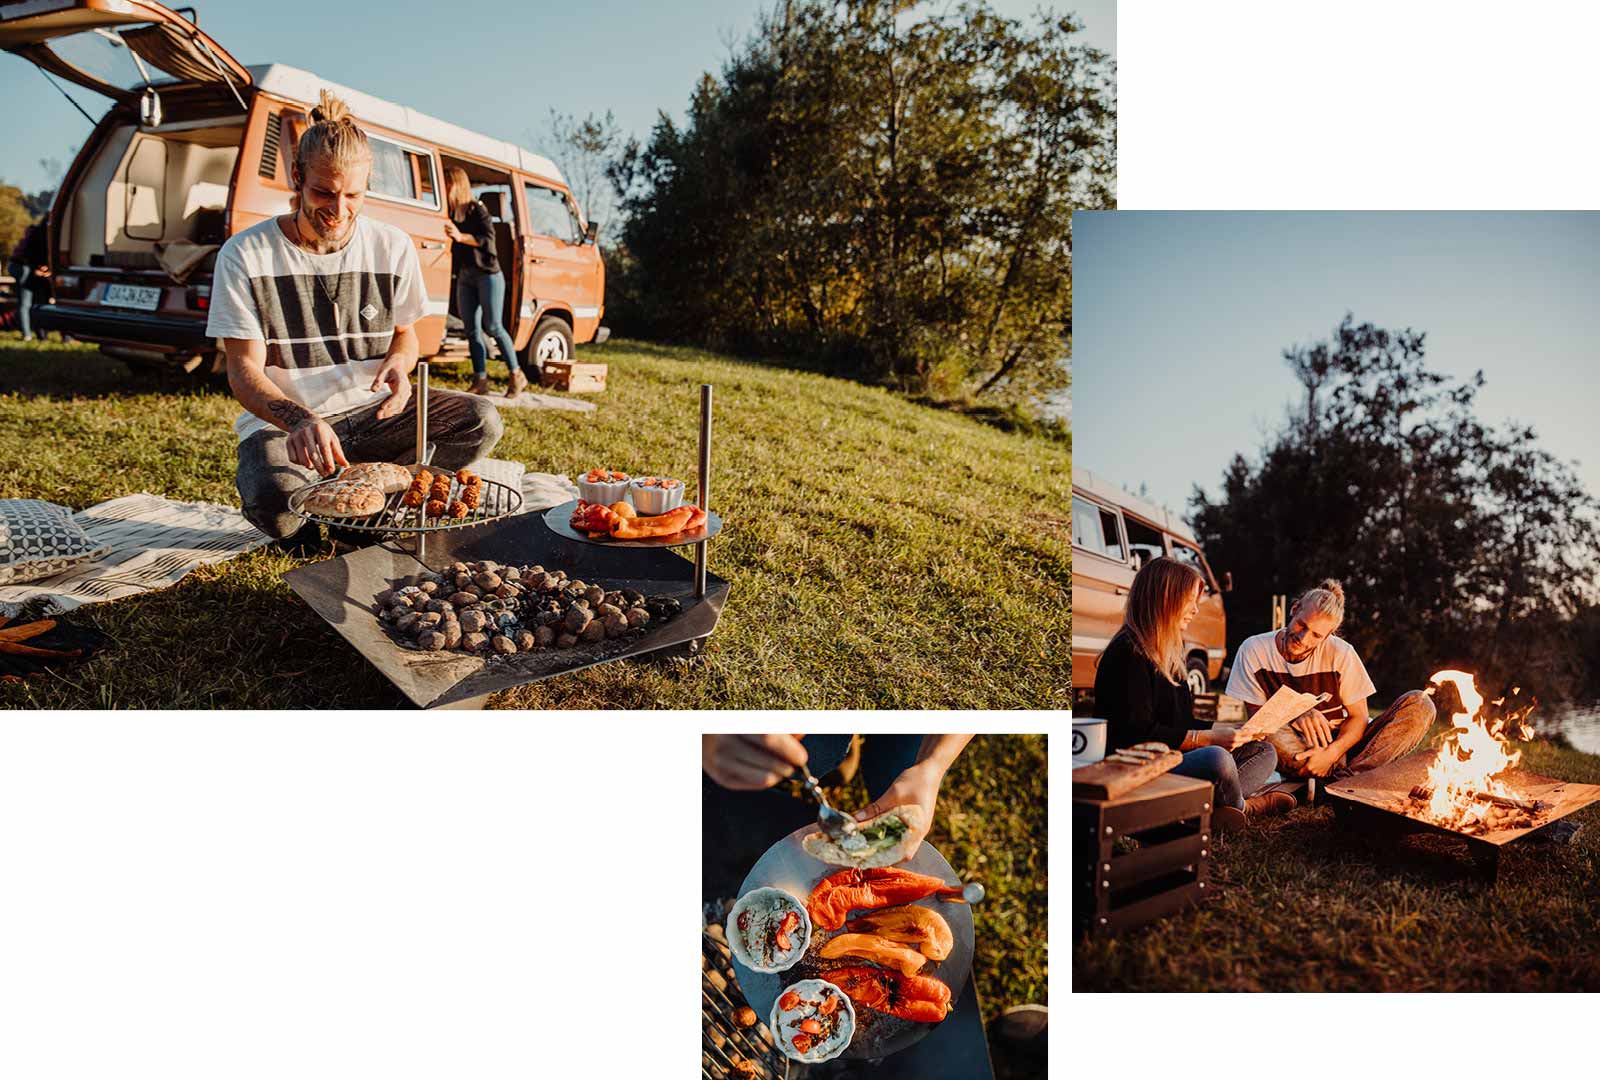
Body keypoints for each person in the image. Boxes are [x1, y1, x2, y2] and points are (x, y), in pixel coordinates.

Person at [206, 91, 503, 544]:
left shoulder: (391, 245)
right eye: (324, 192)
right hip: (288, 426)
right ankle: (335, 503)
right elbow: (243, 370)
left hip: (372, 414)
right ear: (297, 177)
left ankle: (369, 495)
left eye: (353, 195)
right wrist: (302, 421)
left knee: (481, 418)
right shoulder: (246, 253)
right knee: (278, 506)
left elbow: (407, 336)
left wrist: (400, 367)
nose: (339, 210)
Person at [1094, 556, 1295, 832]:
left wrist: (1228, 730)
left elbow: (1181, 722)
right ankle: (1245, 808)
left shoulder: (1170, 653)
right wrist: (1205, 739)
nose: (1195, 609)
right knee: (1217, 759)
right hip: (1140, 767)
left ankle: (1217, 806)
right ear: (1166, 599)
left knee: (1264, 751)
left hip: (1174, 758)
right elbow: (1135, 734)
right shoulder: (1128, 653)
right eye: (1190, 600)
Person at [1225, 578, 1434, 780]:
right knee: (1261, 734)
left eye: (1316, 635)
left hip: (1347, 747)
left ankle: (1345, 779)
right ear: (1294, 609)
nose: (1304, 639)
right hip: (1296, 747)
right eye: (1301, 625)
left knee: (1420, 704)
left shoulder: (1341, 652)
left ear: (1329, 635)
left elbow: (1359, 717)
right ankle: (1350, 782)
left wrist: (1332, 754)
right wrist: (1296, 710)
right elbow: (1258, 721)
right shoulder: (1253, 649)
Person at [442, 167, 527, 398]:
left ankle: (516, 374)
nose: (445, 188)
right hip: (466, 276)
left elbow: (488, 241)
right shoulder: (450, 213)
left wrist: (460, 236)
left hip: (488, 274)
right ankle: (480, 380)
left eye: (447, 184)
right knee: (471, 330)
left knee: (493, 326)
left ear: (457, 185)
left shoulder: (478, 210)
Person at [7, 222, 50, 342]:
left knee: (26, 302)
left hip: (19, 266)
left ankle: (30, 334)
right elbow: (34, 255)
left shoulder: (35, 232)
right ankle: (29, 334)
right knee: (26, 303)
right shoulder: (43, 235)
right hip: (25, 267)